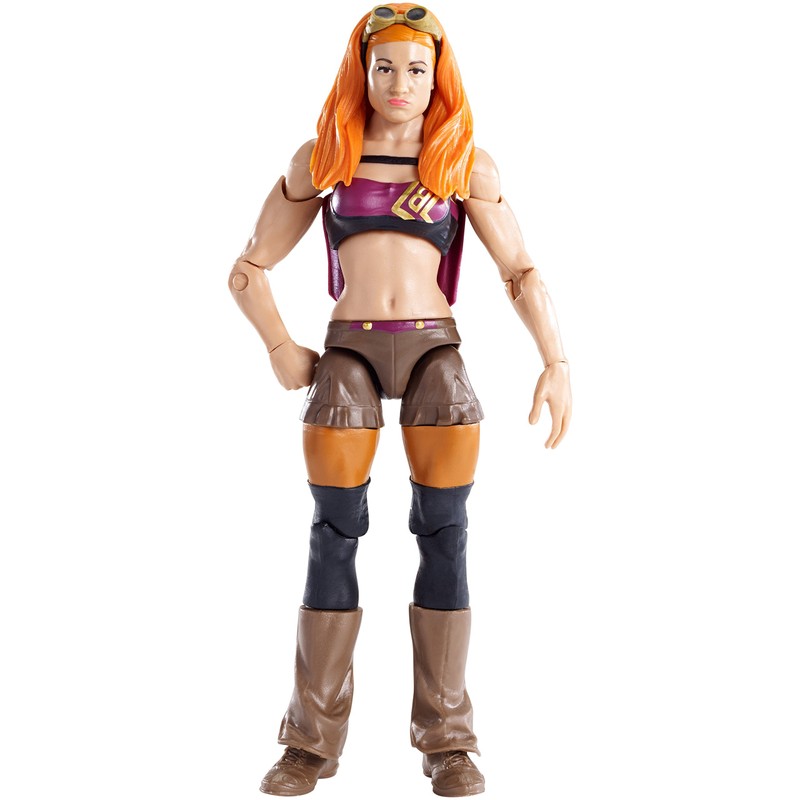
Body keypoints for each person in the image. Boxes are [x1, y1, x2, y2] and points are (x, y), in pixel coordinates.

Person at [228, 5, 572, 796]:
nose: (400, 83)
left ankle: (449, 740)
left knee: (446, 536)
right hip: (346, 351)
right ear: (362, 70)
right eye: (385, 66)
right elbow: (248, 268)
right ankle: (309, 742)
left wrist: (556, 360)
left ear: (437, 75)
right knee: (333, 535)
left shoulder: (464, 165)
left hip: (434, 353)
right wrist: (281, 346)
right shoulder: (327, 158)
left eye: (416, 68)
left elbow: (521, 271)